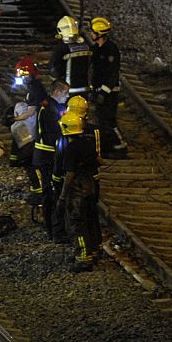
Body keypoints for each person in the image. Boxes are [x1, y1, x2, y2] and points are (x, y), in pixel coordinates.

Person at [58, 112, 102, 272]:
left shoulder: (70, 149)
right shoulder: (87, 143)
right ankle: (94, 250)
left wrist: (62, 196)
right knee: (90, 219)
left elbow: (69, 174)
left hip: (77, 190)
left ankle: (83, 258)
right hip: (90, 185)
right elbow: (99, 161)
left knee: (77, 223)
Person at [33, 79, 69, 239]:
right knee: (50, 194)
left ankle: (56, 228)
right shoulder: (48, 109)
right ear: (57, 92)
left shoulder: (53, 106)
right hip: (46, 157)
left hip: (49, 156)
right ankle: (53, 231)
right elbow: (54, 134)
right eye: (66, 93)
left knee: (54, 193)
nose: (67, 96)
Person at [9, 57, 48, 203]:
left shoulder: (33, 89)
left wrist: (15, 120)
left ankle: (39, 191)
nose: (22, 79)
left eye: (24, 76)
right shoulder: (36, 86)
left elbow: (31, 112)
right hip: (40, 123)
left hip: (37, 126)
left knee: (29, 156)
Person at [89, 17, 127, 155]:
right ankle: (107, 146)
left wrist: (104, 92)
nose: (90, 34)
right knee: (100, 120)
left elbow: (113, 73)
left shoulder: (111, 49)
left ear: (99, 34)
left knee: (109, 119)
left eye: (93, 32)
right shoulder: (95, 49)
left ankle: (121, 144)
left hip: (110, 91)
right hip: (99, 90)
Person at [50, 16, 92, 95]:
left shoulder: (61, 49)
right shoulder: (86, 46)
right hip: (85, 89)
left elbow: (54, 70)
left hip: (68, 91)